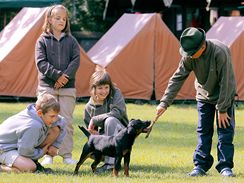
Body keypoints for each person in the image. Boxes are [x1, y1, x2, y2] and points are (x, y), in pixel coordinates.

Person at [156, 27, 236, 177]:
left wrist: (223, 109)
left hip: (224, 96)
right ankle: (200, 166)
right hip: (203, 96)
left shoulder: (220, 52)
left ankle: (225, 167)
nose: (189, 56)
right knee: (203, 132)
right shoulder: (189, 54)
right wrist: (164, 102)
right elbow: (177, 78)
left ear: (203, 46)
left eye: (192, 53)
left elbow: (227, 82)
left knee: (225, 132)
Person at [35, 4, 80, 165]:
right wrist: (57, 76)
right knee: (48, 121)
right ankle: (48, 154)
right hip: (47, 87)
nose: (61, 21)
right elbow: (41, 63)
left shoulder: (72, 41)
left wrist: (65, 77)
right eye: (57, 18)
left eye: (64, 18)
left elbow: (76, 61)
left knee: (66, 120)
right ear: (49, 19)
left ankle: (67, 155)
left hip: (68, 88)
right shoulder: (42, 40)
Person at [0, 94, 66, 173]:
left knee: (56, 128)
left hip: (17, 147)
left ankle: (28, 161)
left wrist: (55, 146)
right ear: (40, 113)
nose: (55, 119)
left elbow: (62, 121)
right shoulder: (33, 125)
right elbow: (24, 151)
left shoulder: (37, 114)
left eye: (56, 115)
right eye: (52, 116)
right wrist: (42, 151)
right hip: (4, 149)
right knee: (30, 167)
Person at [83, 70, 129, 173]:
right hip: (105, 141)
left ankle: (111, 165)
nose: (104, 91)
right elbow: (91, 132)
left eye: (106, 87)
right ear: (93, 88)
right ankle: (109, 159)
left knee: (110, 120)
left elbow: (117, 112)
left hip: (121, 136)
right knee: (92, 152)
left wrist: (95, 119)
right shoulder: (88, 107)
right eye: (100, 88)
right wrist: (94, 135)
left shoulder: (116, 94)